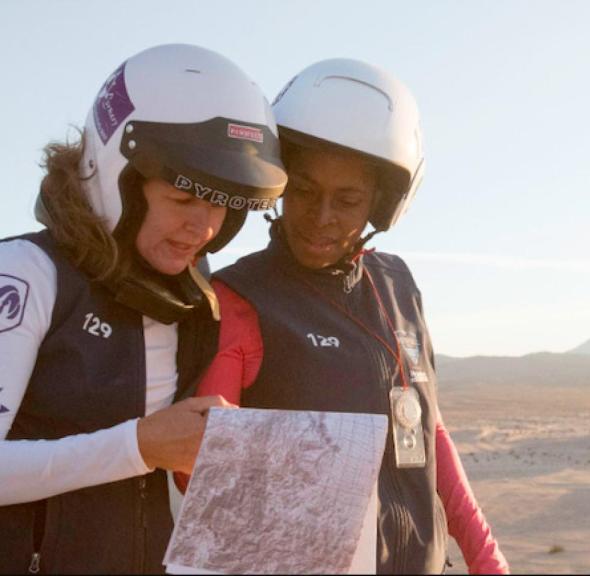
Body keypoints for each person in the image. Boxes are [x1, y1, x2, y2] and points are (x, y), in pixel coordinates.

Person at [191, 59, 509, 574]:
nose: (321, 218)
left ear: (381, 204)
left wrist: (486, 558)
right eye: (305, 191)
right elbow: (202, 473)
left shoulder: (398, 285)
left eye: (348, 199)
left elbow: (429, 433)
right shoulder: (241, 297)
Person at [0, 44, 287, 573]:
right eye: (183, 200)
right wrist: (140, 445)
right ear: (117, 176)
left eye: (223, 205)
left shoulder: (186, 302)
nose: (203, 229)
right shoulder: (26, 274)